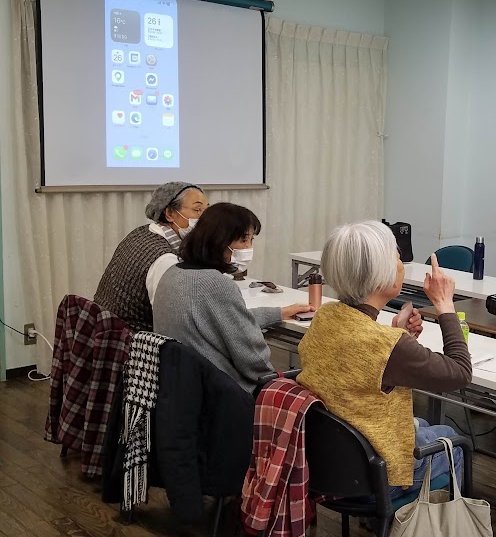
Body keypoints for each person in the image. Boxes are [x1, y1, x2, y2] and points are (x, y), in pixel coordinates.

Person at [297, 220, 472, 496]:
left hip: (329, 463)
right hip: (377, 475)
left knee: (426, 426)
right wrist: (445, 305)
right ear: (383, 274)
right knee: (453, 441)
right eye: (397, 257)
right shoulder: (387, 345)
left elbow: (358, 361)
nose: (402, 264)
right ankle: (428, 522)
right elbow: (460, 373)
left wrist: (396, 336)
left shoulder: (325, 316)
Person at [152, 202, 312, 394]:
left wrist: (279, 313)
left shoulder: (172, 273)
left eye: (251, 240)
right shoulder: (216, 284)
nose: (249, 247)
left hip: (182, 388)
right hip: (225, 394)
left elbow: (229, 320)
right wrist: (276, 378)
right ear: (220, 240)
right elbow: (253, 359)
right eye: (244, 240)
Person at [94, 182, 208, 331]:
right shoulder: (164, 260)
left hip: (104, 328)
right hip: (127, 339)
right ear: (169, 213)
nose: (205, 218)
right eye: (197, 210)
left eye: (207, 211)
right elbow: (172, 322)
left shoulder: (142, 232)